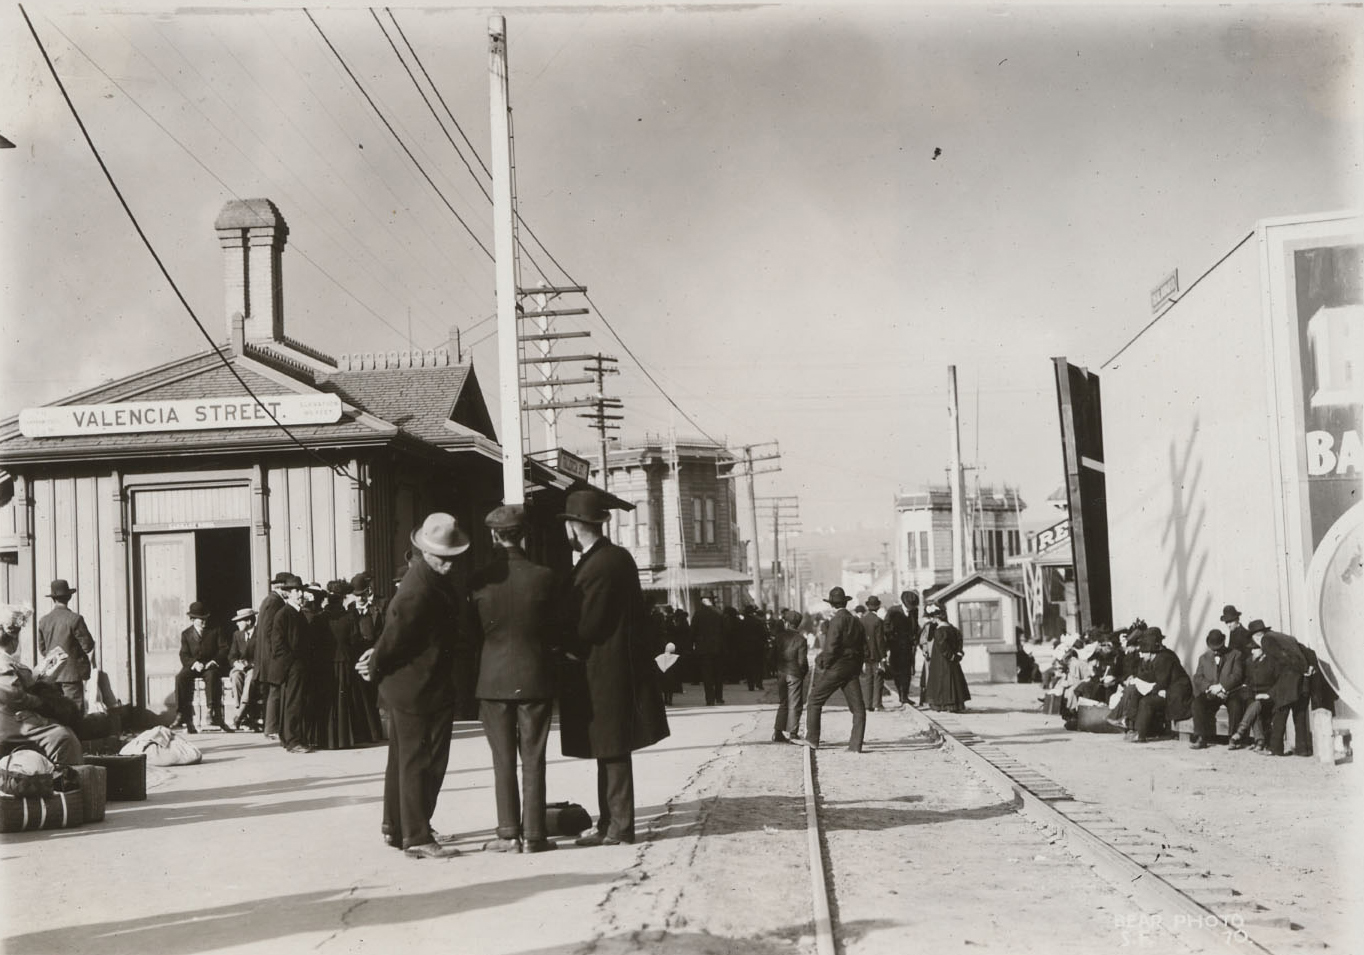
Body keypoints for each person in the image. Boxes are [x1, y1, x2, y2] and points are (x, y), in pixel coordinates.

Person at [557, 489, 670, 847]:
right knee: (608, 747)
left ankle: (619, 826)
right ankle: (609, 822)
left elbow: (589, 624)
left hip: (603, 670)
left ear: (575, 527)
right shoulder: (613, 558)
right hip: (616, 667)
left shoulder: (598, 566)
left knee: (612, 747)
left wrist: (566, 646)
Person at [358, 513, 472, 859]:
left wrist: (376, 659)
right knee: (423, 762)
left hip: (414, 686)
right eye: (442, 558)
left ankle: (396, 827)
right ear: (424, 550)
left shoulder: (426, 578)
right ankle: (418, 837)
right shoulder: (419, 586)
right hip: (418, 689)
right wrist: (375, 663)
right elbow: (396, 636)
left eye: (452, 558)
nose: (449, 565)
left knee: (404, 761)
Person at [469, 504, 563, 854]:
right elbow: (556, 629)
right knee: (534, 756)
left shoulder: (478, 580)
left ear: (494, 535)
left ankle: (508, 833)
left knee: (503, 758)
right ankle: (535, 835)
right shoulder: (545, 577)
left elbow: (470, 633)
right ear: (523, 535)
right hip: (535, 676)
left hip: (492, 679)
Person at [1, 603, 83, 765]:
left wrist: (40, 675)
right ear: (13, 638)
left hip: (11, 717)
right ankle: (65, 780)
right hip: (10, 722)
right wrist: (41, 701)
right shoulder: (3, 662)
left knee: (60, 729)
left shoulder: (6, 660)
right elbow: (14, 696)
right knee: (62, 736)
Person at [800, 586, 867, 753]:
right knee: (858, 708)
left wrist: (825, 663)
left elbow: (831, 646)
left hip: (838, 667)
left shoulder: (837, 620)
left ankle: (812, 739)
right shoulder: (855, 621)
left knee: (814, 700)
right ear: (845, 602)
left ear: (832, 605)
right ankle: (855, 745)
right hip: (852, 668)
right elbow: (863, 646)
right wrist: (857, 667)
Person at [36, 579, 95, 716]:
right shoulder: (75, 619)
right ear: (69, 597)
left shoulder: (44, 620)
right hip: (72, 675)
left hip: (51, 674)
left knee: (56, 713)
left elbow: (43, 649)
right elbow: (88, 646)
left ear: (53, 599)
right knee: (74, 712)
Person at [269, 575, 312, 753]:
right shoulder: (284, 614)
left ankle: (292, 738)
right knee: (292, 703)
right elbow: (278, 644)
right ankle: (293, 741)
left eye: (301, 591)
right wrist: (292, 663)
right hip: (292, 666)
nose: (300, 594)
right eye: (296, 591)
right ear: (288, 594)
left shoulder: (298, 613)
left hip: (299, 666)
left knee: (296, 702)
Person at [173, 601, 231, 733]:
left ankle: (211, 711)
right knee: (180, 677)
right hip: (195, 666)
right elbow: (184, 654)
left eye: (205, 619)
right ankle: (181, 713)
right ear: (192, 619)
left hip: (210, 665)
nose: (204, 622)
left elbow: (224, 649)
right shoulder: (186, 634)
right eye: (201, 620)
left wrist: (214, 661)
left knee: (212, 675)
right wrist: (194, 664)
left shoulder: (215, 630)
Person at [1259, 625, 1311, 756]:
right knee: (1299, 715)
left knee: (1280, 713)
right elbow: (1307, 652)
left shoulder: (1266, 639)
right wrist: (1305, 669)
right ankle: (1302, 749)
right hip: (1303, 680)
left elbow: (1277, 663)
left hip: (1288, 680)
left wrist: (1271, 689)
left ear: (1257, 635)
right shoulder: (1287, 638)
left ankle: (1275, 748)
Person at [1190, 628, 1245, 749]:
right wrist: (1210, 687)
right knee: (1197, 703)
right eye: (1213, 647)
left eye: (1218, 646)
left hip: (1229, 692)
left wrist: (1221, 687)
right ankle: (1201, 737)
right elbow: (1198, 677)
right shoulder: (1203, 658)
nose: (1215, 650)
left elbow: (1237, 676)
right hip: (1211, 693)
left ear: (1224, 641)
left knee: (1235, 705)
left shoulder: (1236, 654)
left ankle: (1233, 738)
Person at [256, 572, 295, 741]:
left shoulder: (269, 600)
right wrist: (277, 653)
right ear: (281, 587)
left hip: (267, 655)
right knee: (275, 691)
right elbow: (270, 630)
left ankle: (270, 727)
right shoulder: (275, 602)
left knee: (273, 691)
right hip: (272, 656)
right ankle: (271, 728)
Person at [922, 602, 970, 713]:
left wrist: (951, 656)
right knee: (953, 680)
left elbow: (943, 647)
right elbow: (959, 643)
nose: (932, 620)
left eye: (932, 617)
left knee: (942, 681)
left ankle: (944, 705)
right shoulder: (953, 629)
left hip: (941, 661)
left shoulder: (939, 631)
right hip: (953, 662)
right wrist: (958, 655)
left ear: (936, 618)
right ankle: (955, 704)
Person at [770, 609, 810, 743]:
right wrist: (802, 673)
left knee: (783, 703)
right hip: (795, 674)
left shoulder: (779, 637)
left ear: (787, 623)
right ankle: (793, 733)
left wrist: (777, 669)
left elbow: (772, 656)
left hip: (782, 672)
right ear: (798, 624)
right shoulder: (801, 639)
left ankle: (778, 732)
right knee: (795, 703)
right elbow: (802, 661)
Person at [226, 608, 261, 731]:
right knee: (235, 677)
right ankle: (242, 713)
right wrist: (236, 663)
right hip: (240, 668)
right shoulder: (237, 634)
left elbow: (263, 656)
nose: (237, 624)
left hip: (254, 668)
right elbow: (231, 655)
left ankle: (239, 714)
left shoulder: (260, 634)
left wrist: (249, 664)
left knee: (251, 677)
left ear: (249, 621)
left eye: (240, 621)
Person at [690, 594, 726, 706]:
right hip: (718, 648)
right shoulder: (719, 613)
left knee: (707, 675)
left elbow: (692, 631)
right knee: (718, 674)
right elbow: (726, 631)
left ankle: (709, 699)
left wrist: (692, 645)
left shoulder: (698, 614)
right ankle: (719, 697)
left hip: (703, 649)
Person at [885, 593, 919, 703]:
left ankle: (904, 695)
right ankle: (901, 693)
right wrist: (890, 643)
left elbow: (915, 626)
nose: (912, 608)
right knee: (896, 671)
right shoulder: (893, 611)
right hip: (895, 646)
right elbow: (886, 627)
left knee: (907, 672)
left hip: (908, 647)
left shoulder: (914, 611)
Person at [858, 596, 887, 712]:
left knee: (867, 679)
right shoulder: (878, 621)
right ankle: (877, 704)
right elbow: (880, 640)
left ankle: (867, 704)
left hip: (865, 655)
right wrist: (883, 656)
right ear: (878, 606)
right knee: (878, 678)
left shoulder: (862, 620)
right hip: (876, 654)